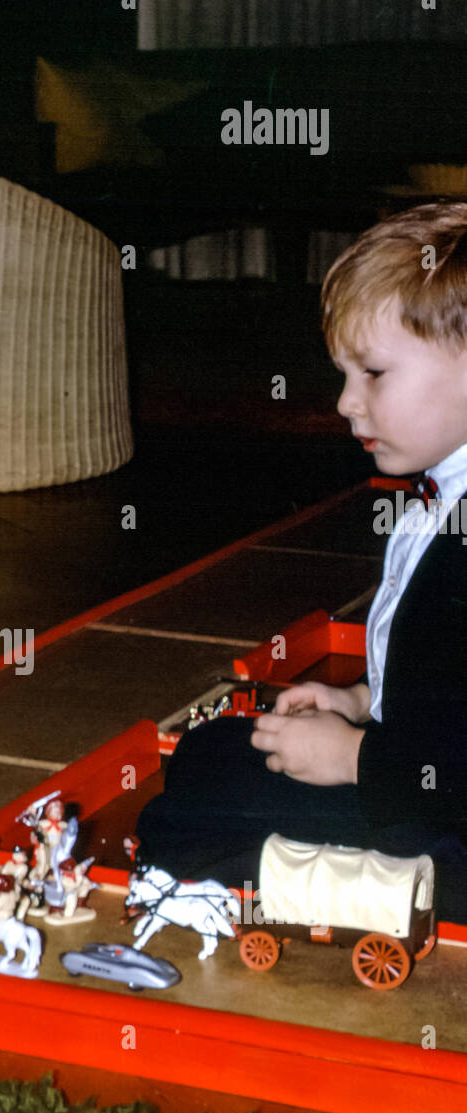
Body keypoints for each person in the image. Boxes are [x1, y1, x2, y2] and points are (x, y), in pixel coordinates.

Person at [136, 202, 467, 921]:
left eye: (374, 373)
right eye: (343, 374)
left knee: (190, 828)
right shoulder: (439, 497)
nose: (347, 403)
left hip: (442, 819)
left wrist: (354, 759)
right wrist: (359, 705)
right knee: (212, 753)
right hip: (411, 775)